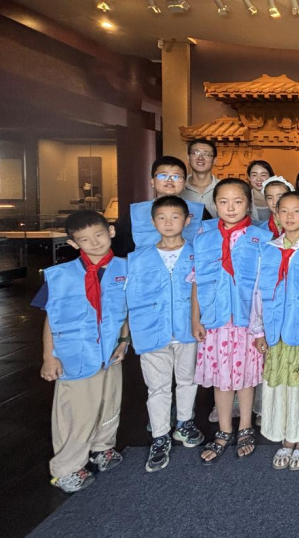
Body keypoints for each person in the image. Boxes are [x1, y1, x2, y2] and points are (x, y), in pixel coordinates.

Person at [33, 210, 129, 493]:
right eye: (85, 239)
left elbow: (127, 311)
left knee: (109, 403)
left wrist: (124, 341)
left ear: (111, 232)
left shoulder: (126, 269)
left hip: (110, 354)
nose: (95, 242)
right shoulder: (59, 276)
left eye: (99, 234)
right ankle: (66, 468)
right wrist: (48, 356)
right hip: (75, 355)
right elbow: (51, 318)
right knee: (77, 413)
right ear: (74, 244)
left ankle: (102, 448)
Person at [191, 179, 272, 464]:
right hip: (216, 321)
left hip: (248, 321)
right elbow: (196, 281)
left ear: (248, 204)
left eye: (238, 201)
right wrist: (195, 319)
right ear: (214, 204)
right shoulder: (204, 238)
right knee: (221, 378)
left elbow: (267, 285)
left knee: (247, 377)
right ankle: (224, 430)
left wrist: (264, 325)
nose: (231, 207)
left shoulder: (262, 238)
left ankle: (246, 426)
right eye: (223, 202)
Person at [251, 191, 299, 471]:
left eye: (297, 211)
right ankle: (286, 435)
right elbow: (258, 291)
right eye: (284, 211)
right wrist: (257, 329)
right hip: (275, 329)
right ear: (276, 214)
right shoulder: (267, 249)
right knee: (278, 384)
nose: (290, 216)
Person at [126, 196, 204, 473]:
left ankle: (184, 423)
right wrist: (127, 334)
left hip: (188, 330)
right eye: (162, 217)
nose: (168, 223)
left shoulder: (198, 253)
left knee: (187, 380)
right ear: (152, 222)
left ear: (187, 220)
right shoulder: (137, 259)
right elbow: (129, 298)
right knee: (157, 387)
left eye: (175, 217)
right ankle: (160, 435)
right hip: (152, 331)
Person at [113, 155, 205, 257]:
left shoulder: (199, 211)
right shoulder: (136, 213)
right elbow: (122, 249)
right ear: (152, 181)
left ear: (185, 183)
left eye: (176, 176)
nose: (169, 180)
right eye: (163, 176)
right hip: (146, 265)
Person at [182, 139, 219, 218]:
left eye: (206, 154)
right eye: (196, 153)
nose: (200, 158)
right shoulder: (178, 187)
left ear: (214, 160)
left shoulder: (223, 187)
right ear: (188, 157)